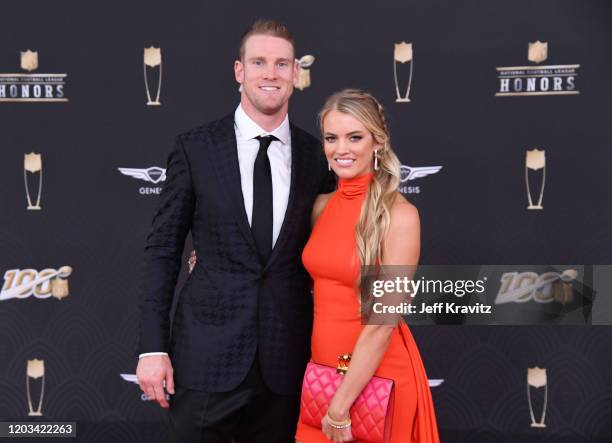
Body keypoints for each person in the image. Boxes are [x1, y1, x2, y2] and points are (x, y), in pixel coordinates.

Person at [135, 19, 334, 443]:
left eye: (282, 64)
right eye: (259, 61)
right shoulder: (196, 148)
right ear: (239, 71)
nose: (271, 73)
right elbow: (163, 250)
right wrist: (153, 348)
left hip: (288, 362)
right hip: (205, 358)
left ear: (296, 74)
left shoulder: (319, 157)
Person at [295, 89, 440, 442]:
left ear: (378, 142)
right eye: (332, 138)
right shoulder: (321, 207)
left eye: (355, 137)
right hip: (321, 375)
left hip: (376, 380)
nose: (341, 149)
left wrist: (340, 405)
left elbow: (382, 323)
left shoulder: (400, 216)